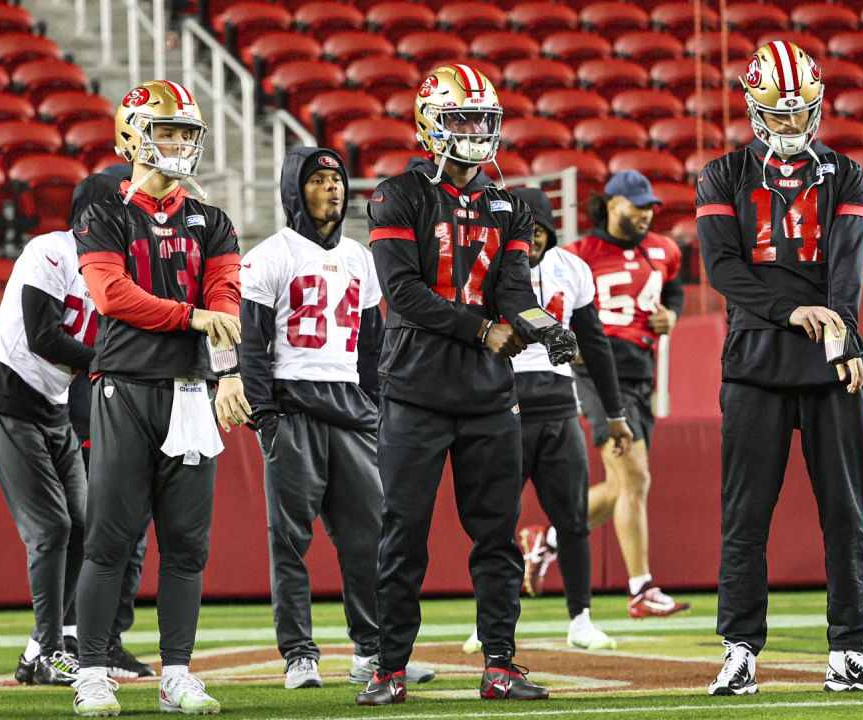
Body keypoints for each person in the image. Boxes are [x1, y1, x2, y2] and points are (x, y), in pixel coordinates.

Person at [356, 63, 577, 706]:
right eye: (461, 119)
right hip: (417, 392)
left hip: (487, 397)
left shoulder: (507, 202)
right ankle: (390, 666)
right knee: (403, 535)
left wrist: (545, 329)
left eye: (483, 119)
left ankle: (500, 664)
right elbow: (403, 295)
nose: (476, 132)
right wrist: (484, 333)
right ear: (430, 124)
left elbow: (515, 293)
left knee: (497, 537)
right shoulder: (397, 195)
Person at [696, 41, 863, 696]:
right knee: (745, 516)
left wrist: (844, 339)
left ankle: (847, 650)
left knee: (846, 512)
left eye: (802, 114)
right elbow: (725, 270)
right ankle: (740, 648)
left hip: (827, 365)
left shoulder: (847, 174)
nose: (792, 126)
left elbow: (846, 272)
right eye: (779, 116)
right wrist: (793, 312)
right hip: (754, 362)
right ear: (754, 111)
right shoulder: (722, 175)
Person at [68, 80, 247, 717]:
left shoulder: (213, 219)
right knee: (110, 539)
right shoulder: (103, 214)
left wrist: (227, 366)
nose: (176, 142)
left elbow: (226, 296)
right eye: (165, 131)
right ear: (131, 134)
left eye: (184, 133)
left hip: (192, 392)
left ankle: (176, 672)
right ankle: (91, 669)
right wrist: (191, 317)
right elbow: (111, 297)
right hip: (125, 388)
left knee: (187, 544)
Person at [238, 147, 435, 690]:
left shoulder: (361, 258)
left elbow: (372, 346)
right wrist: (266, 416)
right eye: (319, 180)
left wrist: (375, 408)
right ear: (293, 190)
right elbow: (251, 345)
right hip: (294, 410)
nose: (333, 189)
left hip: (352, 413)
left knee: (370, 541)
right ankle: (299, 654)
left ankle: (372, 652)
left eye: (337, 180)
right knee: (290, 542)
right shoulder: (268, 255)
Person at [461, 187, 633, 656]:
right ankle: (488, 619)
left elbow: (595, 345)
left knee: (573, 520)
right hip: (502, 405)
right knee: (495, 521)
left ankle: (581, 618)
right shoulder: (487, 267)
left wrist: (615, 414)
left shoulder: (572, 270)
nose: (533, 239)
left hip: (558, 406)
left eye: (539, 230)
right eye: (526, 230)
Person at [0, 174, 117, 688]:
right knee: (52, 528)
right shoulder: (51, 250)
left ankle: (43, 646)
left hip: (53, 406)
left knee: (82, 522)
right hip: (8, 397)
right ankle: (53, 647)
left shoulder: (114, 269)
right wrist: (108, 361)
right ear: (96, 216)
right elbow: (43, 334)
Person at [527, 169, 687, 619]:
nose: (645, 214)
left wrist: (671, 316)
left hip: (640, 370)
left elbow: (673, 291)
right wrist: (565, 342)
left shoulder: (665, 250)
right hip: (595, 370)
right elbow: (552, 296)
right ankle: (641, 588)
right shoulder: (578, 254)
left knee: (624, 484)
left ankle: (548, 540)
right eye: (636, 205)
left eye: (649, 206)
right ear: (611, 204)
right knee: (634, 479)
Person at [63, 165, 157, 682]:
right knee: (103, 532)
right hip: (92, 399)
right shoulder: (70, 255)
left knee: (128, 533)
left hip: (122, 395)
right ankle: (79, 640)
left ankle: (99, 638)